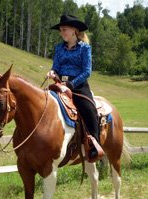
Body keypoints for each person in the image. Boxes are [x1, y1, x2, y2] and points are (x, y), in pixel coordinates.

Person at [47, 14, 104, 161]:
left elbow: (87, 72)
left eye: (64, 29)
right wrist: (53, 72)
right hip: (60, 83)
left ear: (74, 30)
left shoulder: (85, 48)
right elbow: (56, 67)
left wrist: (71, 85)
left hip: (78, 85)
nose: (62, 33)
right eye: (60, 30)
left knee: (89, 109)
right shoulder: (59, 48)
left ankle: (94, 145)